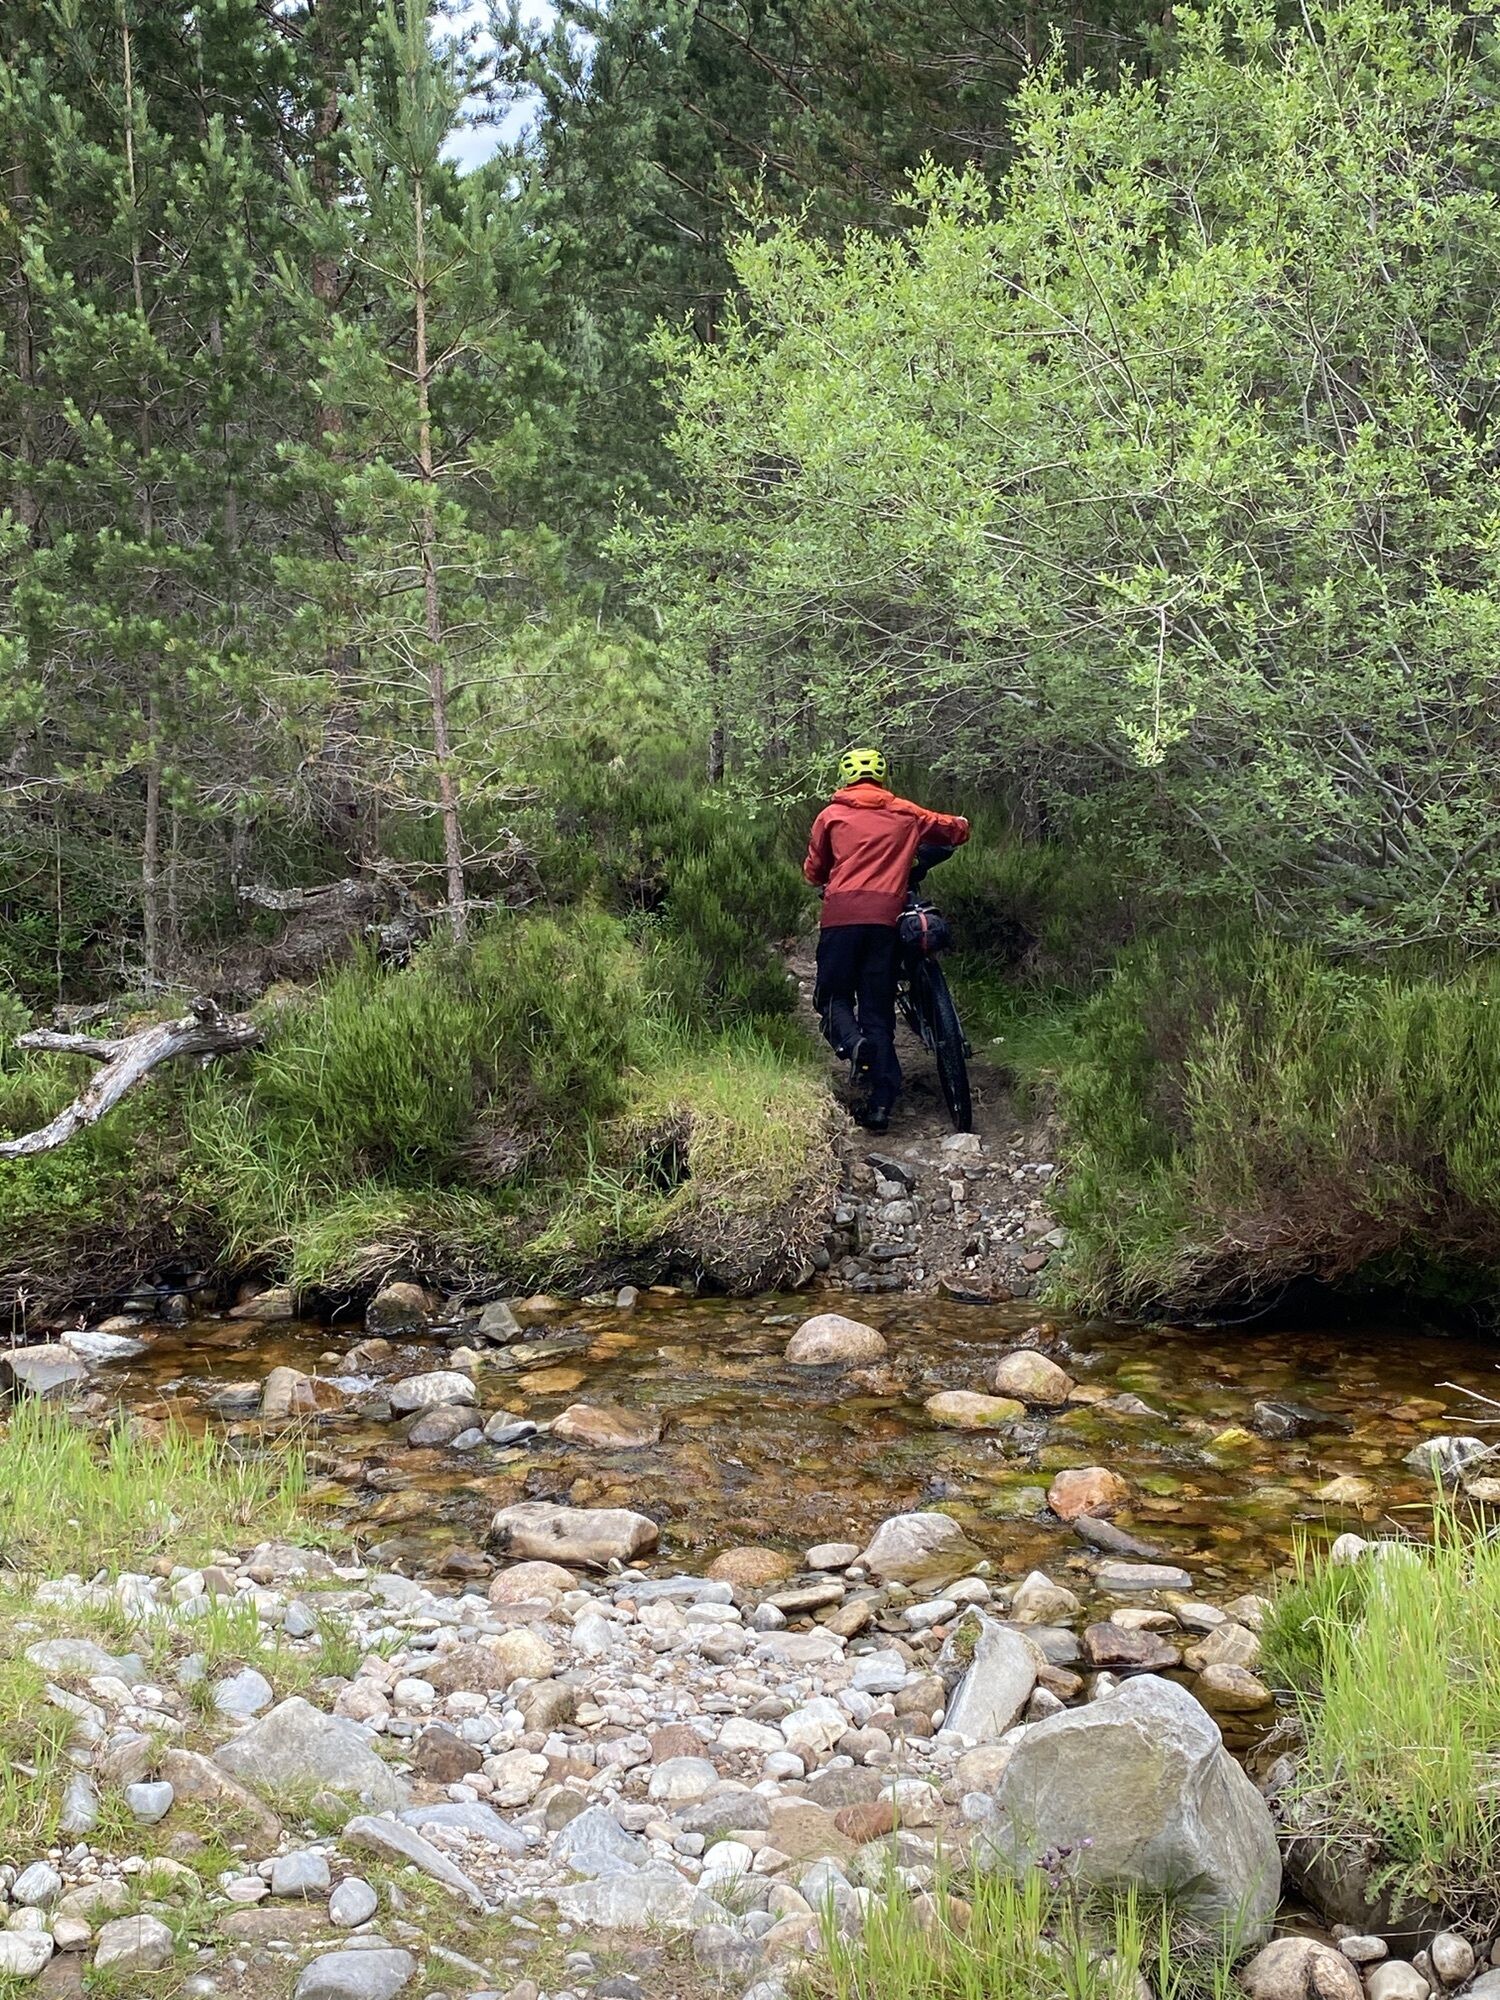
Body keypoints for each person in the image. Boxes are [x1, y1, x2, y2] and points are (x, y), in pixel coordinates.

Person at [804, 748, 970, 1132]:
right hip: (886, 920)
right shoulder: (904, 812)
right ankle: (880, 1105)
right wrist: (961, 822)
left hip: (841, 918)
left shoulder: (830, 816)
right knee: (877, 1010)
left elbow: (814, 871)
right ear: (881, 777)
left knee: (832, 997)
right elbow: (953, 830)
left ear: (846, 778)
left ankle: (853, 1044)